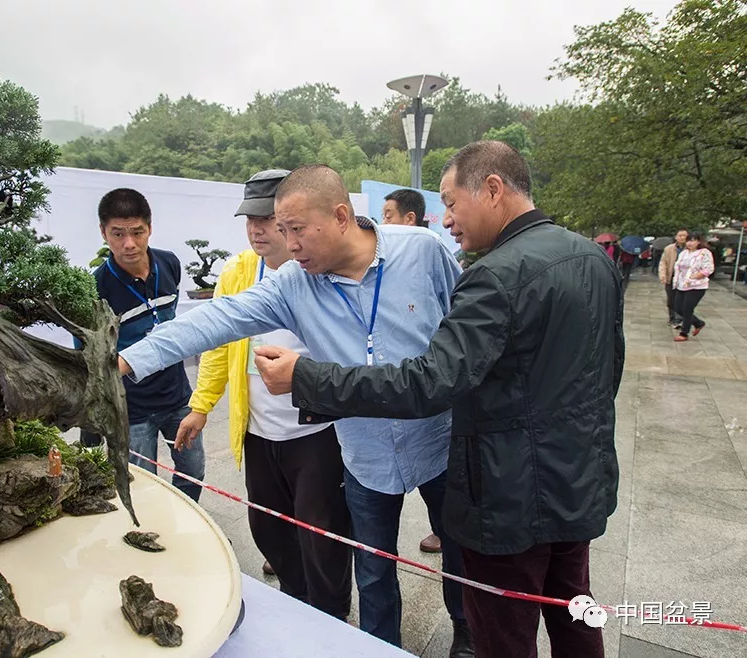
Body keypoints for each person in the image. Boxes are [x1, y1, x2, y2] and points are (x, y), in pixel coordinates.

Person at [253, 142, 623, 658]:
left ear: (492, 189)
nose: (445, 221)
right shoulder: (592, 259)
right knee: (577, 615)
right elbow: (607, 374)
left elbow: (428, 383)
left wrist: (307, 378)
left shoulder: (493, 277)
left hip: (510, 496)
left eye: (451, 203)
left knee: (503, 632)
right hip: (578, 481)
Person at [118, 165, 473, 656]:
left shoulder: (422, 251)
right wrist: (126, 358)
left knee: (460, 552)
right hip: (364, 452)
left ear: (341, 216)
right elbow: (217, 319)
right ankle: (377, 648)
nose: (289, 244)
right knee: (371, 569)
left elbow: (465, 325)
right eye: (281, 231)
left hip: (439, 440)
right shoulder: (293, 285)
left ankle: (468, 636)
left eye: (296, 230)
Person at [175, 168, 353, 619]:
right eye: (248, 219)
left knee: (322, 536)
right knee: (269, 529)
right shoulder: (238, 272)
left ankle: (329, 620)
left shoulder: (321, 271)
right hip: (258, 431)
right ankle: (297, 606)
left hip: (317, 433)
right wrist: (201, 406)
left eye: (266, 218)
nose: (256, 228)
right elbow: (217, 343)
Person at [83, 188, 204, 502]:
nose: (129, 244)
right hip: (131, 407)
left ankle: (188, 527)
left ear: (149, 228)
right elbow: (87, 357)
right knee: (142, 484)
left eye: (137, 232)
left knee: (194, 469)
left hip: (177, 396)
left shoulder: (169, 264)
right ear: (103, 232)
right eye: (118, 233)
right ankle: (151, 533)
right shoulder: (96, 288)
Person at [380, 193, 443, 555]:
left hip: (428, 398)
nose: (381, 221)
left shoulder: (429, 249)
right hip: (384, 403)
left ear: (409, 219)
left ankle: (442, 531)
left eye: (388, 214)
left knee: (439, 486)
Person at [672, 232, 715, 343]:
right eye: (688, 241)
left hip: (696, 286)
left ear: (698, 241)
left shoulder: (704, 253)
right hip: (682, 284)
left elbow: (709, 268)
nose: (690, 243)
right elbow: (678, 266)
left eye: (693, 240)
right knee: (677, 308)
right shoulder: (684, 253)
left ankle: (684, 333)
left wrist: (697, 276)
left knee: (687, 309)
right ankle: (698, 323)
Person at [658, 229, 688, 326]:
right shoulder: (669, 249)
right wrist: (662, 275)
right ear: (676, 237)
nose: (682, 237)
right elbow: (663, 263)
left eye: (684, 235)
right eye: (680, 235)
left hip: (685, 279)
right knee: (671, 300)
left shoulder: (691, 249)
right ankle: (672, 318)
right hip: (671, 277)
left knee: (683, 300)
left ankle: (680, 318)